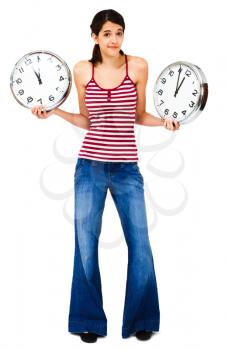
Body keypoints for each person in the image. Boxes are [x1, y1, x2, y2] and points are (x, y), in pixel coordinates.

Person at [32, 8, 180, 343]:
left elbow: (139, 114)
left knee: (140, 244)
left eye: (119, 32)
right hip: (90, 168)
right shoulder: (83, 69)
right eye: (108, 33)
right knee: (85, 244)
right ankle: (88, 321)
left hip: (127, 169)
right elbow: (87, 120)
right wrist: (54, 111)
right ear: (95, 37)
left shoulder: (138, 66)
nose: (114, 40)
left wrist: (166, 121)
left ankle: (142, 319)